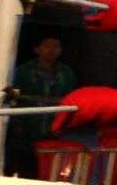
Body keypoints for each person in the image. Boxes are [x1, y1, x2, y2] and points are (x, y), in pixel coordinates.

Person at [6, 34, 77, 177]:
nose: (52, 50)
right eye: (47, 46)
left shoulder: (66, 73)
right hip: (26, 127)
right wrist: (16, 123)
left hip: (52, 126)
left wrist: (63, 123)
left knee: (49, 164)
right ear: (37, 49)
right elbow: (13, 99)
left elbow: (69, 99)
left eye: (56, 46)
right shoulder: (23, 71)